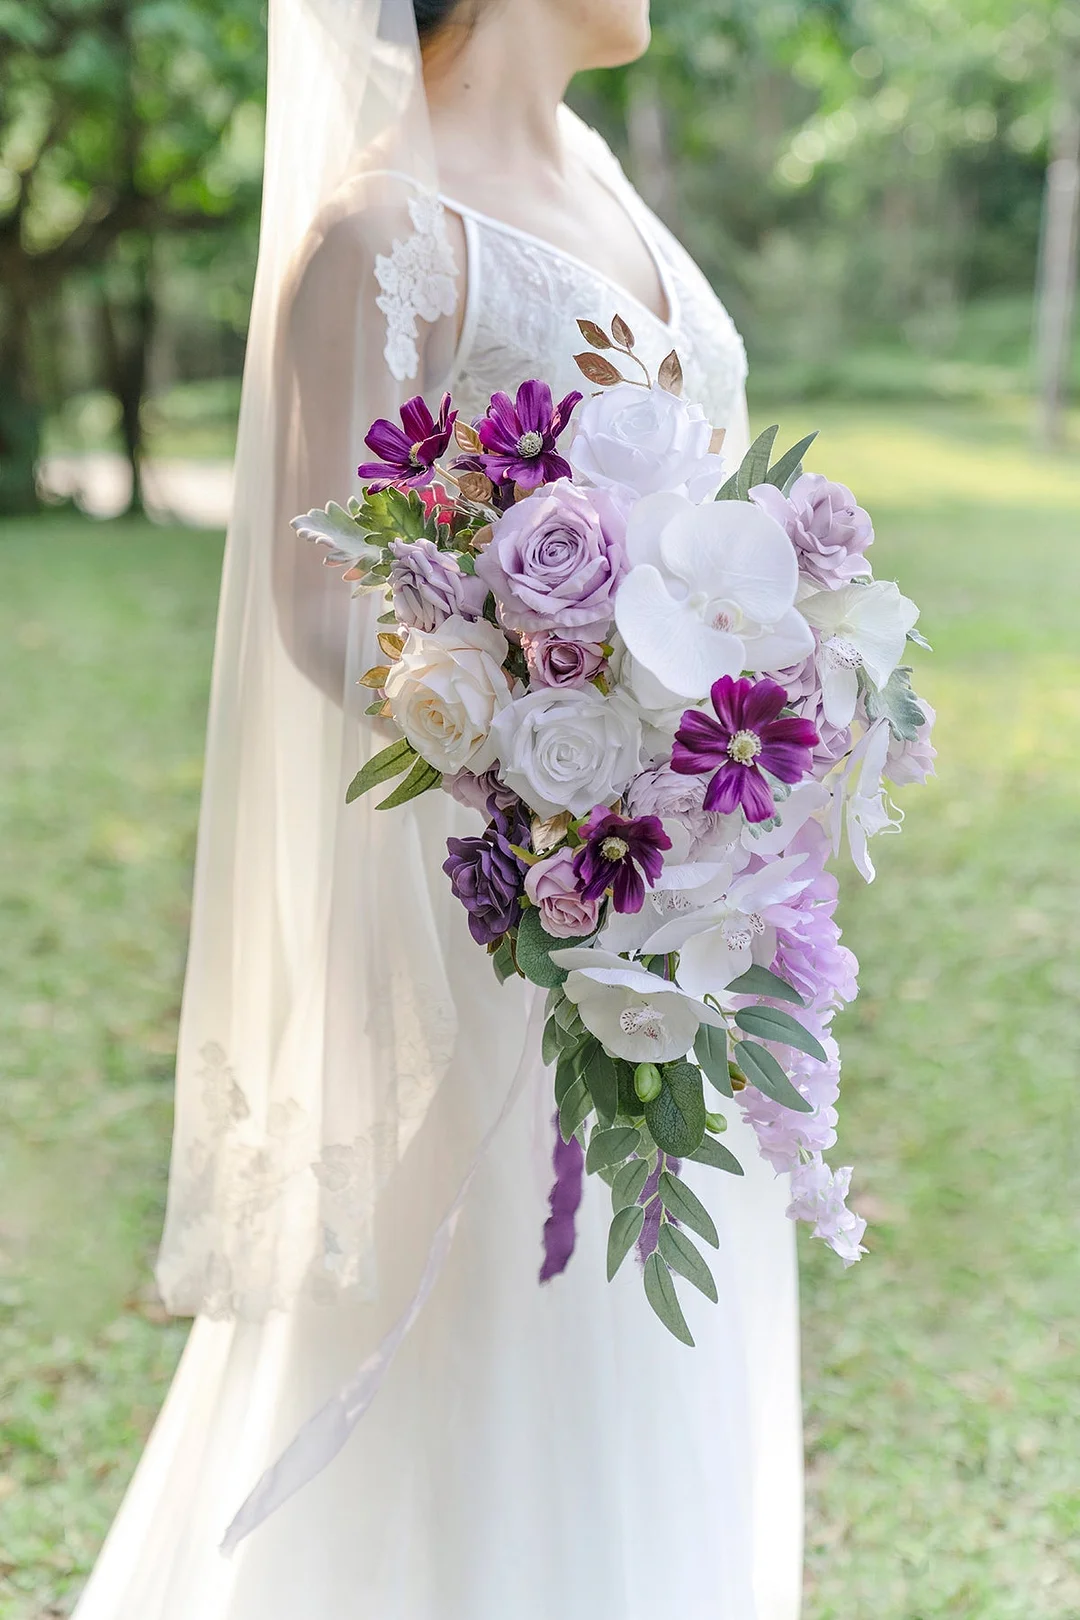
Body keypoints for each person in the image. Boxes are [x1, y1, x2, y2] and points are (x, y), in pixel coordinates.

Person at [72, 1, 803, 1615]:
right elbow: (320, 606)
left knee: (652, 1315)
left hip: (687, 894)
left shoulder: (606, 177)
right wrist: (554, 739)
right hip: (508, 895)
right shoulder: (381, 231)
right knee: (499, 1326)